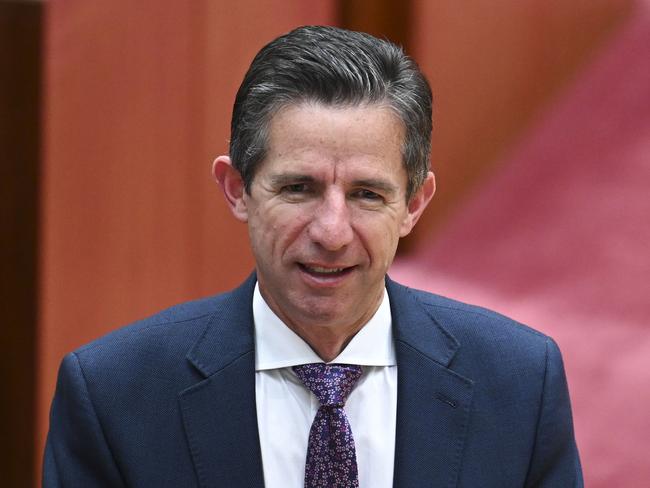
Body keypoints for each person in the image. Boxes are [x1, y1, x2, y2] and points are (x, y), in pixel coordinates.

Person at [44, 26, 583, 487]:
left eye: (367, 194)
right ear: (237, 189)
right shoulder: (114, 397)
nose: (331, 232)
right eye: (299, 188)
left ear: (414, 205)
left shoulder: (519, 383)